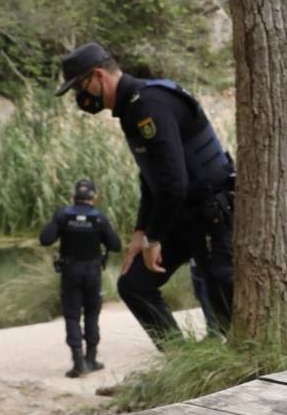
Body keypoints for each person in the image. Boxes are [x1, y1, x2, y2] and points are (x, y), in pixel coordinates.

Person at [55, 42, 235, 348]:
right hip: (181, 214)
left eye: (79, 87)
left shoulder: (150, 103)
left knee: (224, 301)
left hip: (210, 214)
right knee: (134, 284)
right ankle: (183, 361)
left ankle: (248, 371)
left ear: (98, 76)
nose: (79, 98)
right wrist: (141, 232)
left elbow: (173, 182)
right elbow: (151, 178)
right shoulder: (131, 109)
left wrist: (154, 238)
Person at [39, 178, 121, 377]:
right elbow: (116, 245)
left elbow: (45, 239)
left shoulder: (64, 215)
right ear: (94, 197)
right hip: (93, 273)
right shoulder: (98, 217)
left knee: (73, 315)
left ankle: (78, 363)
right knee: (92, 314)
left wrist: (59, 222)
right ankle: (91, 359)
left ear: (74, 196)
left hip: (70, 272)